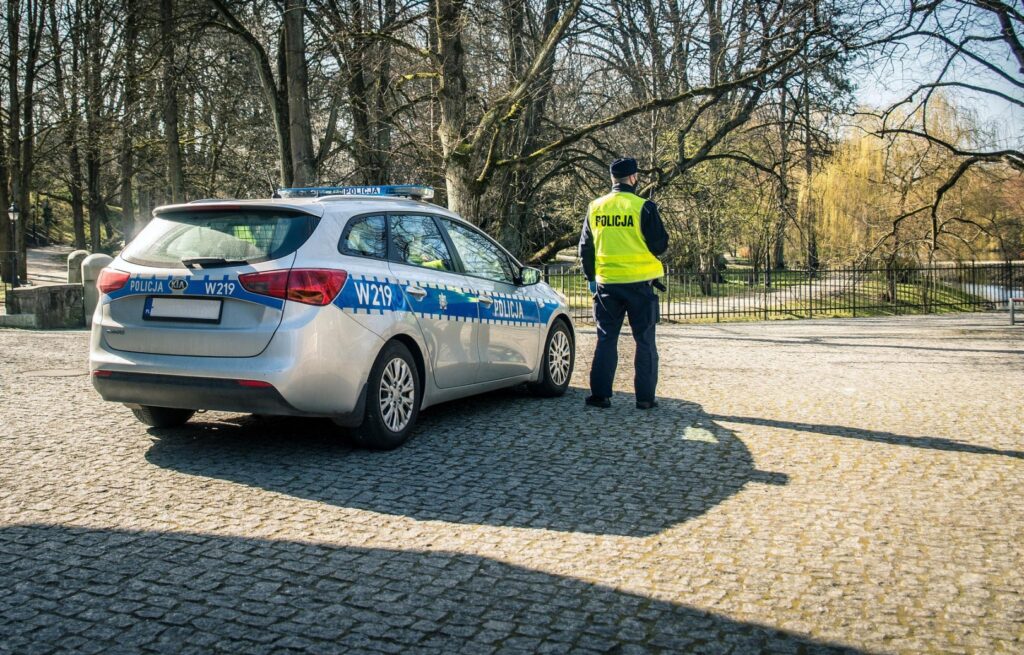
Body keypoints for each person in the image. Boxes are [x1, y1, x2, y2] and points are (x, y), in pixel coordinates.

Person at [578, 158, 669, 410]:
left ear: (612, 179)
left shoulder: (595, 207)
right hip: (640, 285)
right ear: (633, 178)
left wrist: (591, 278)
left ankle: (600, 395)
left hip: (607, 284)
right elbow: (659, 245)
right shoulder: (644, 207)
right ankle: (645, 398)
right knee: (645, 341)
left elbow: (585, 247)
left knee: (606, 338)